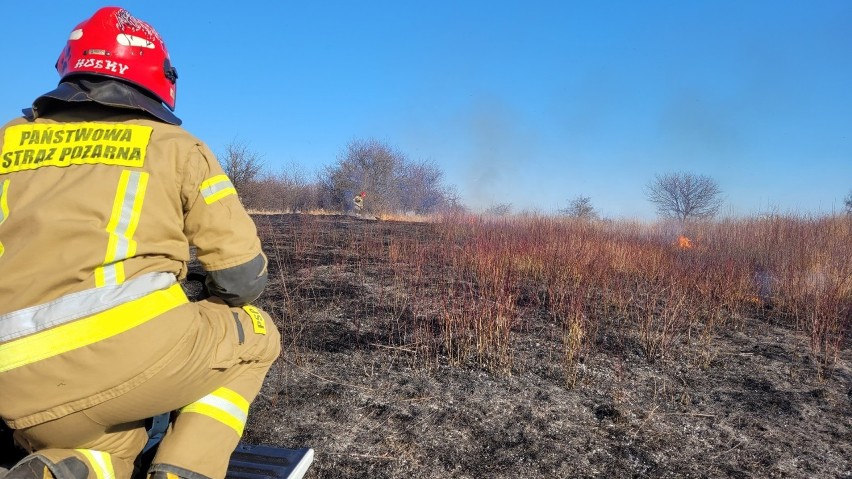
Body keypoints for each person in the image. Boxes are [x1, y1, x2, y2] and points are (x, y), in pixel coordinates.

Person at [0, 7, 280, 479]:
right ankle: (184, 468)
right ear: (160, 75)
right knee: (257, 333)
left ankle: (66, 466)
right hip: (122, 353)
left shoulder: (8, 139)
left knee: (112, 438)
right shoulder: (175, 147)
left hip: (11, 382)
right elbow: (242, 277)